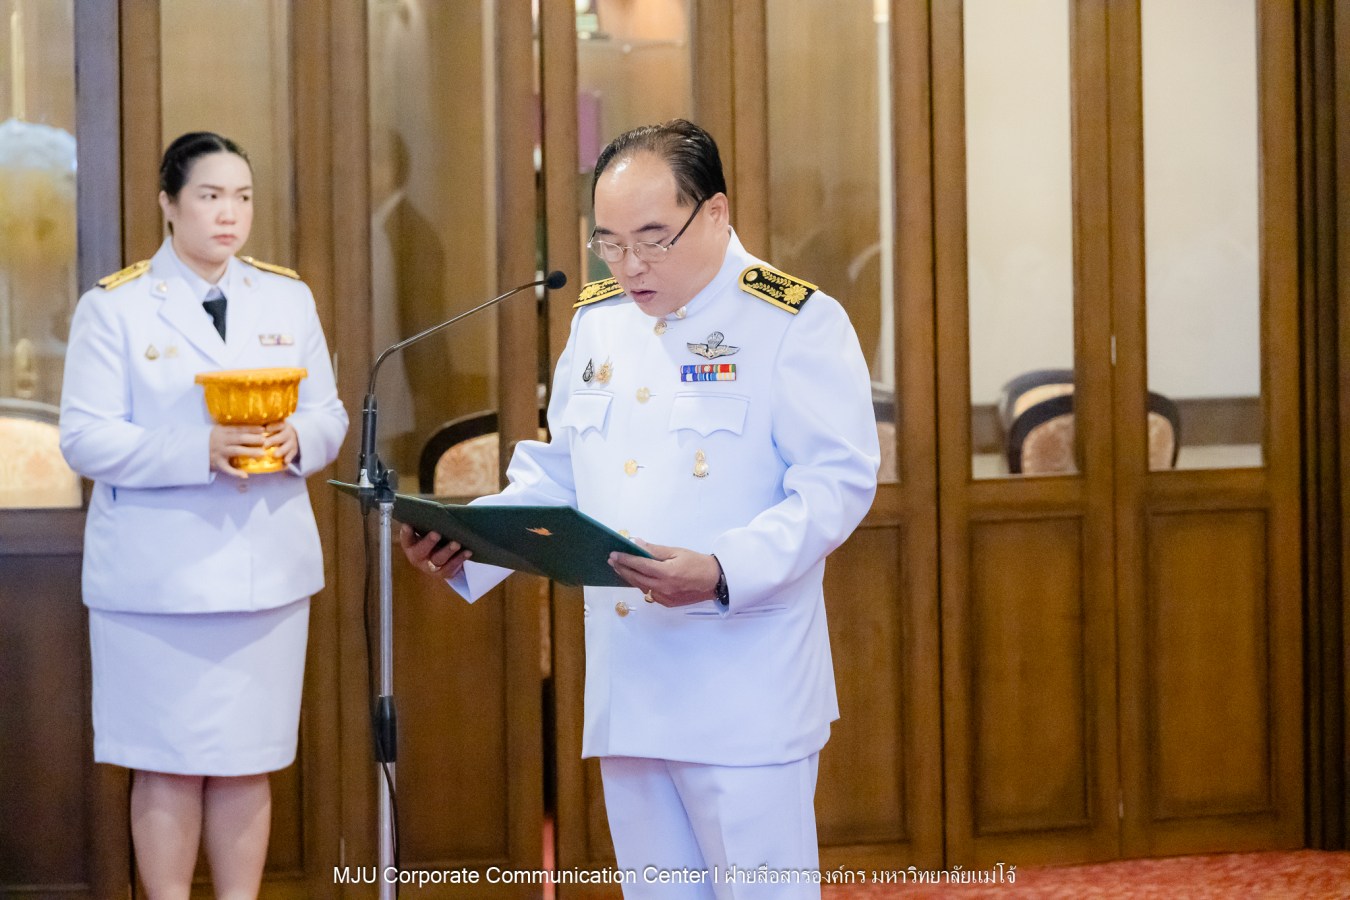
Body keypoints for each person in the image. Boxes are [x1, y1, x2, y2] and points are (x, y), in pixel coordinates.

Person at [401, 119, 879, 899]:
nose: (630, 265)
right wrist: (471, 543)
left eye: (654, 238)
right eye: (610, 243)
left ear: (716, 214)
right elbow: (560, 473)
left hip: (742, 685)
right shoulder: (598, 320)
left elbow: (838, 483)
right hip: (631, 687)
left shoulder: (794, 320)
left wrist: (725, 569)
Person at [59, 131, 348, 899]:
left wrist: (297, 439)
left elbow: (330, 415)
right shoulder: (114, 307)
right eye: (210, 197)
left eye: (242, 198)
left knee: (245, 757)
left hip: (264, 576)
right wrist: (200, 449)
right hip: (157, 583)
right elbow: (85, 438)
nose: (229, 215)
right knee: (166, 763)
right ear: (168, 204)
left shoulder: (286, 296)